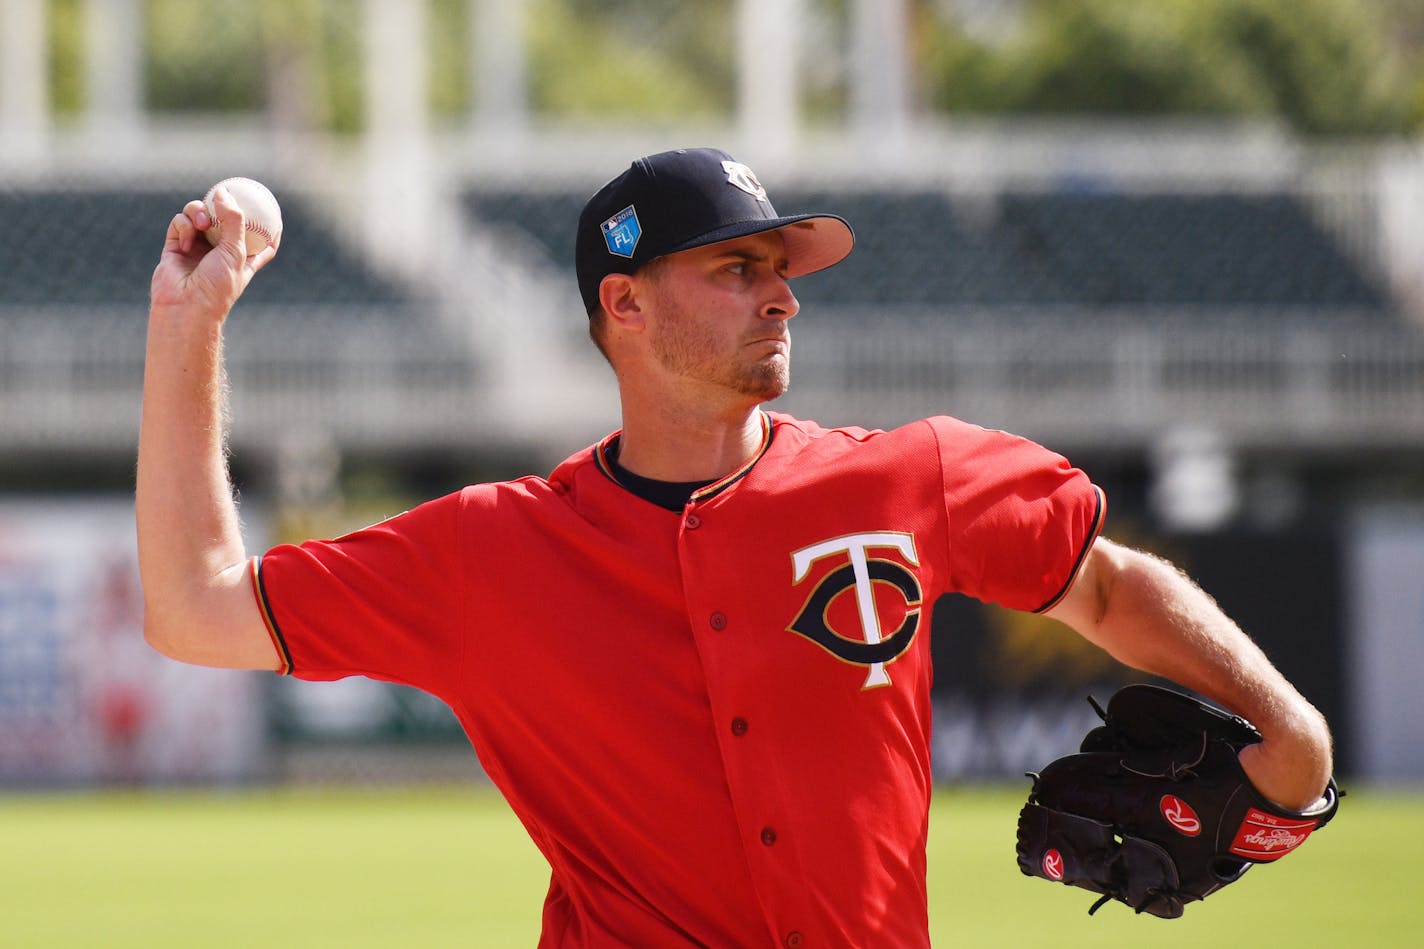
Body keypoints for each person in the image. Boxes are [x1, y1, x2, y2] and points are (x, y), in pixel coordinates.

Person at [137, 147, 1333, 947]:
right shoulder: (491, 553)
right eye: (736, 267)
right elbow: (195, 606)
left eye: (780, 269)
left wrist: (1291, 730)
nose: (782, 296)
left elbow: (1104, 584)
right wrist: (185, 331)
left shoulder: (904, 474)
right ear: (625, 304)